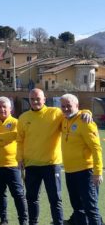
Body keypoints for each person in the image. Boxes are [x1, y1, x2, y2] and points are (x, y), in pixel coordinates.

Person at [17, 88, 91, 225]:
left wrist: (86, 111)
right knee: (31, 198)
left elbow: (73, 112)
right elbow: (20, 140)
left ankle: (58, 223)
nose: (35, 101)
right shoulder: (23, 118)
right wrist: (19, 158)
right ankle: (33, 223)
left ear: (44, 99)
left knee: (55, 199)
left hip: (51, 165)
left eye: (38, 98)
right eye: (32, 99)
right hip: (31, 165)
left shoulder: (56, 113)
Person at [0, 97, 27, 225]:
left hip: (13, 165)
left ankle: (23, 220)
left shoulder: (17, 122)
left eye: (4, 107)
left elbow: (13, 135)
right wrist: (2, 140)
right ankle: (3, 219)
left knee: (18, 195)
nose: (2, 109)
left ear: (10, 109)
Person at [60, 94, 103, 225]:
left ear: (77, 106)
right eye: (63, 106)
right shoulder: (63, 120)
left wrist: (97, 172)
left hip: (86, 172)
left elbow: (96, 148)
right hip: (69, 172)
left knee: (90, 208)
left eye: (69, 106)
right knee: (78, 208)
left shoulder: (85, 121)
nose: (66, 109)